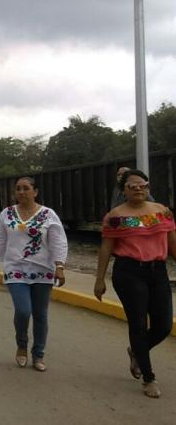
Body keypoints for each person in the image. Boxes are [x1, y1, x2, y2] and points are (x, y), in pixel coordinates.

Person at [95, 169, 175, 398]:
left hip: (158, 272)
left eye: (142, 185)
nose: (138, 188)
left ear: (148, 187)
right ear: (124, 190)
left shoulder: (163, 212)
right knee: (138, 324)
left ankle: (137, 352)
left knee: (163, 326)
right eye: (132, 186)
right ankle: (149, 378)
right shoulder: (115, 216)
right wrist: (99, 279)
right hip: (129, 273)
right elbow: (107, 248)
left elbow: (172, 244)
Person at [0, 177, 68, 372]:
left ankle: (38, 354)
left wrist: (60, 266)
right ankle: (22, 345)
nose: (21, 192)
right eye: (18, 189)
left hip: (43, 271)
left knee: (40, 314)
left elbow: (58, 241)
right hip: (15, 269)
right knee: (23, 311)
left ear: (35, 191)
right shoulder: (6, 214)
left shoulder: (48, 215)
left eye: (26, 188)